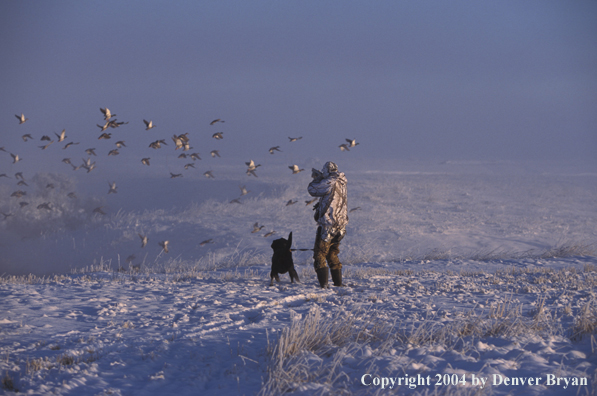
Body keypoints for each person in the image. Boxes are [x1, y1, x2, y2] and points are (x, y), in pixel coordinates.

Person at [308, 161, 348, 288]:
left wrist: (318, 178)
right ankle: (338, 284)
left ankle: (324, 286)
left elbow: (312, 189)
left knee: (319, 254)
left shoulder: (331, 180)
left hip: (328, 225)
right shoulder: (342, 181)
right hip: (341, 226)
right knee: (332, 253)